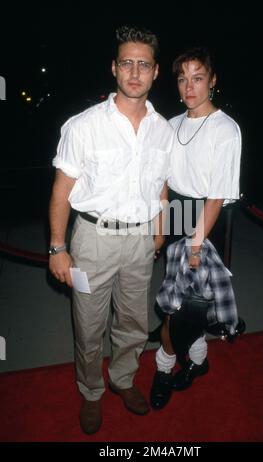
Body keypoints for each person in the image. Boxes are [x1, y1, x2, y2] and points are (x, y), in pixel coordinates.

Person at [48, 25, 173, 434]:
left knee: (134, 322)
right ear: (114, 69)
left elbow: (162, 185)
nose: (135, 72)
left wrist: (161, 230)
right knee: (88, 324)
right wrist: (56, 248)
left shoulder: (163, 129)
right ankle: (90, 392)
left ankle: (123, 380)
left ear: (155, 72)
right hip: (92, 240)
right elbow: (62, 190)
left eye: (144, 64)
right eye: (127, 63)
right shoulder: (83, 125)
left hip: (140, 239)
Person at [150, 46, 242, 410]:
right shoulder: (171, 125)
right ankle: (200, 360)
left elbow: (217, 196)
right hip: (175, 213)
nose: (189, 86)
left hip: (205, 220)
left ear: (213, 81)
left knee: (178, 308)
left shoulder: (226, 129)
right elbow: (163, 182)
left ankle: (163, 366)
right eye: (182, 78)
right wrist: (161, 229)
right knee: (187, 304)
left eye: (198, 77)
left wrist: (194, 244)